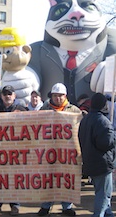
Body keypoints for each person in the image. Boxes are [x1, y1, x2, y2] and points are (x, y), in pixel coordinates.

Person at [38, 83, 81, 216]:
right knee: (48, 180)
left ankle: (67, 207)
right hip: (48, 152)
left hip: (68, 153)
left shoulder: (74, 111)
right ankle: (46, 206)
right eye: (55, 96)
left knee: (67, 179)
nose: (58, 98)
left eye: (60, 96)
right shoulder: (44, 109)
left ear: (65, 96)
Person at [78, 92, 116, 217]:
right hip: (102, 163)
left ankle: (108, 213)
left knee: (100, 191)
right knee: (104, 194)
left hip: (90, 161)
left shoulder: (85, 119)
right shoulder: (102, 121)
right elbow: (106, 143)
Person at [0, 85, 26, 215]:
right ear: (1, 96)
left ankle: (15, 205)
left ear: (14, 96)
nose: (7, 96)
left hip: (16, 152)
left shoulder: (21, 109)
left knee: (14, 179)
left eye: (10, 93)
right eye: (5, 94)